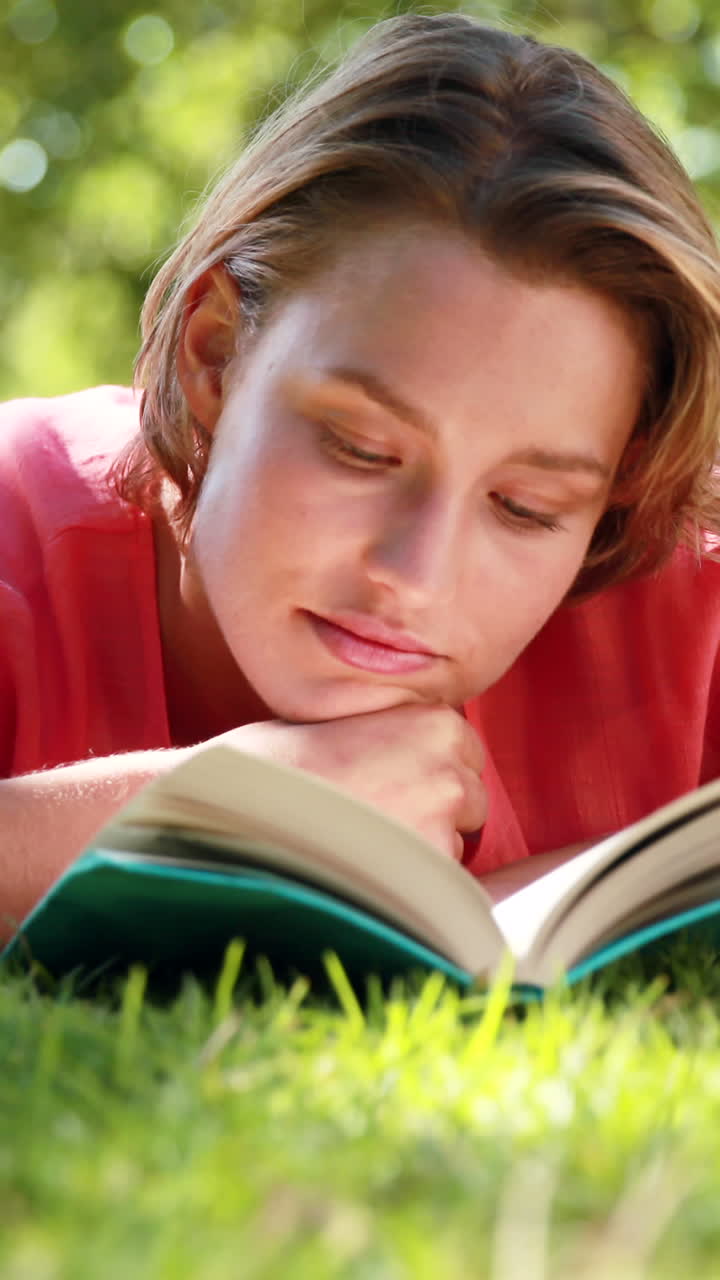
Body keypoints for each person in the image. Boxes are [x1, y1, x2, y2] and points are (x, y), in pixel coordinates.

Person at [2, 12, 720, 939]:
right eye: (362, 450)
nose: (416, 574)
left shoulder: (686, 613)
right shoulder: (19, 528)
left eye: (526, 507)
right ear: (214, 355)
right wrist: (206, 816)